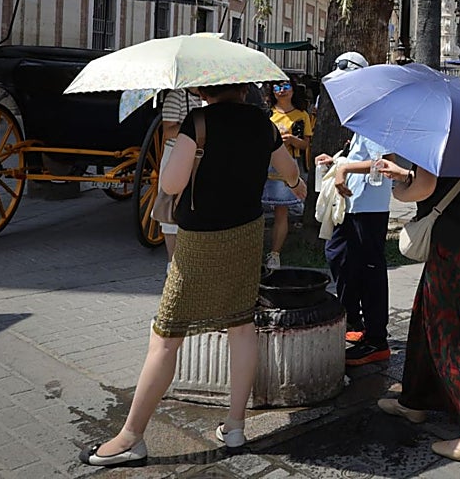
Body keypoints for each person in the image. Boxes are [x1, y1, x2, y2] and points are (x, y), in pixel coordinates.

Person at [79, 82, 305, 467]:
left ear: (205, 88)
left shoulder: (196, 122)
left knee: (166, 334)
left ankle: (131, 436)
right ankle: (235, 427)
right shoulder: (262, 122)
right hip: (247, 234)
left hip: (200, 240)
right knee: (241, 327)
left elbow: (170, 184)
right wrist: (298, 185)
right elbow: (288, 171)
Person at [372, 160, 460, 464]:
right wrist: (405, 174)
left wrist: (399, 188)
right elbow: (441, 180)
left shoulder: (435, 137)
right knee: (426, 320)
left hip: (452, 249)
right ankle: (414, 400)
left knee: (449, 337)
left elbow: (424, 188)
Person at [313, 51, 396, 366]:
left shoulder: (375, 114)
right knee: (341, 258)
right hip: (354, 202)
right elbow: (360, 154)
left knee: (369, 270)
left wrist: (346, 169)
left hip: (369, 205)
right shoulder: (362, 117)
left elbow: (381, 162)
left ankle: (377, 338)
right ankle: (356, 322)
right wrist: (336, 161)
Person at [261, 78, 314, 272]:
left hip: (289, 164)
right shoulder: (267, 114)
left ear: (293, 90)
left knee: (281, 211)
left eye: (285, 87)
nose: (281, 91)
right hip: (265, 164)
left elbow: (305, 144)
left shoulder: (302, 115)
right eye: (277, 87)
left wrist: (291, 139)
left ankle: (274, 254)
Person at [157, 88, 204, 262]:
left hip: (201, 155)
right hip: (176, 153)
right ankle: (172, 261)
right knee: (170, 208)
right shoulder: (176, 96)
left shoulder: (208, 97)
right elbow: (167, 131)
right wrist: (192, 126)